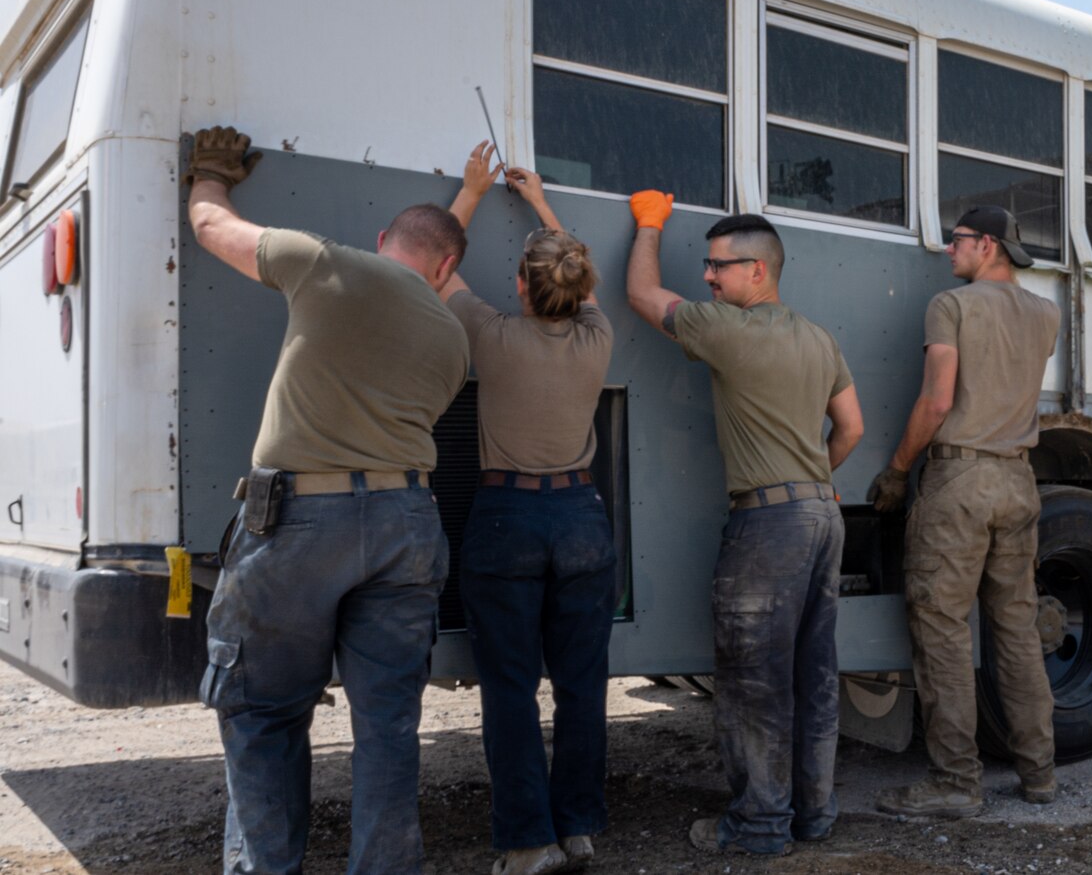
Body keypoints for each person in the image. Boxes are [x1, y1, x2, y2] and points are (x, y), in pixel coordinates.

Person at [185, 126, 470, 875]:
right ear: (446, 269)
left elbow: (211, 226)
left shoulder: (324, 263)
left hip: (303, 521)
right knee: (387, 725)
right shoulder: (452, 339)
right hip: (408, 522)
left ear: (383, 240)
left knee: (265, 714)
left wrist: (208, 175)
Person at [623, 193, 864, 857]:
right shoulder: (819, 336)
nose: (707, 276)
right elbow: (852, 427)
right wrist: (816, 476)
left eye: (718, 266)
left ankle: (759, 824)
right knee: (814, 676)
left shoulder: (726, 329)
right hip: (821, 515)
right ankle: (813, 814)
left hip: (769, 525)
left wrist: (648, 222)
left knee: (754, 681)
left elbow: (642, 293)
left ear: (757, 272)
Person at [443, 143, 618, 875]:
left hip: (507, 516)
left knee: (511, 690)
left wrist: (472, 191)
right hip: (582, 517)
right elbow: (576, 276)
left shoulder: (493, 335)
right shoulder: (596, 338)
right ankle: (576, 825)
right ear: (579, 292)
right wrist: (543, 202)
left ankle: (527, 842)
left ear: (518, 286)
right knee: (582, 686)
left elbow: (434, 266)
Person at [870, 206, 1063, 820]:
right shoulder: (1045, 312)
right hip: (1018, 480)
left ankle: (955, 781)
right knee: (1016, 630)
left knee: (943, 629)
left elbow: (936, 400)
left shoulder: (950, 307)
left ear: (987, 244)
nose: (947, 251)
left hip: (960, 479)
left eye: (955, 242)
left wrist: (898, 469)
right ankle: (1039, 773)